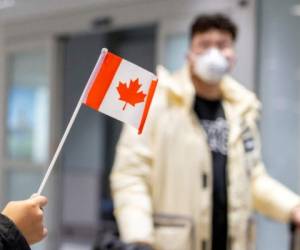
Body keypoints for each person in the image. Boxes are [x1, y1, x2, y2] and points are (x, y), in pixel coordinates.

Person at [110, 13, 300, 250]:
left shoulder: (242, 110)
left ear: (233, 56)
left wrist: (293, 207)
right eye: (204, 45)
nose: (214, 53)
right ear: (189, 54)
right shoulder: (155, 102)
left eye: (222, 45)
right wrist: (138, 238)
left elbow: (253, 180)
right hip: (172, 243)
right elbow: (131, 176)